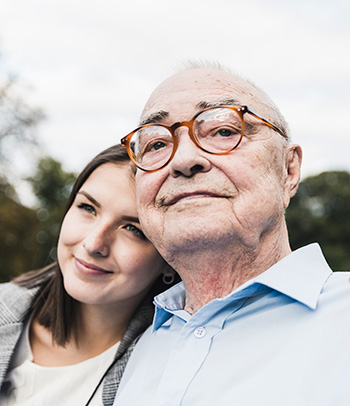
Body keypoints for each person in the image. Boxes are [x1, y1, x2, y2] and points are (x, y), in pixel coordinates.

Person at [114, 63, 350, 406]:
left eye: (224, 130)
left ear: (289, 170)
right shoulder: (135, 348)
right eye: (155, 143)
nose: (184, 160)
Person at [0, 144, 176, 406]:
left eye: (132, 228)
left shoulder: (169, 368)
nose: (94, 244)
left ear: (170, 259)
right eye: (87, 208)